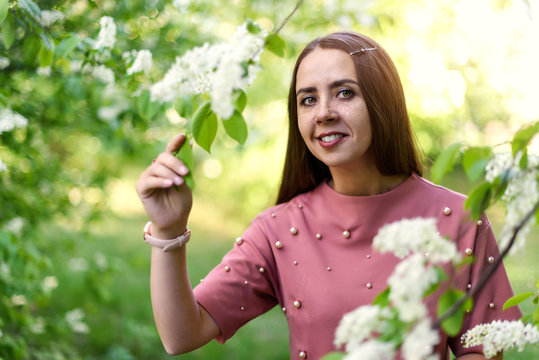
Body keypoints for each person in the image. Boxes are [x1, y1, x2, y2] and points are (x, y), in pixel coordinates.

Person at [135, 32, 521, 359]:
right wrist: (169, 230)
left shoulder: (459, 218)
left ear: (382, 101)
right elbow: (182, 335)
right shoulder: (279, 229)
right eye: (308, 99)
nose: (323, 113)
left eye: (344, 93)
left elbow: (484, 349)